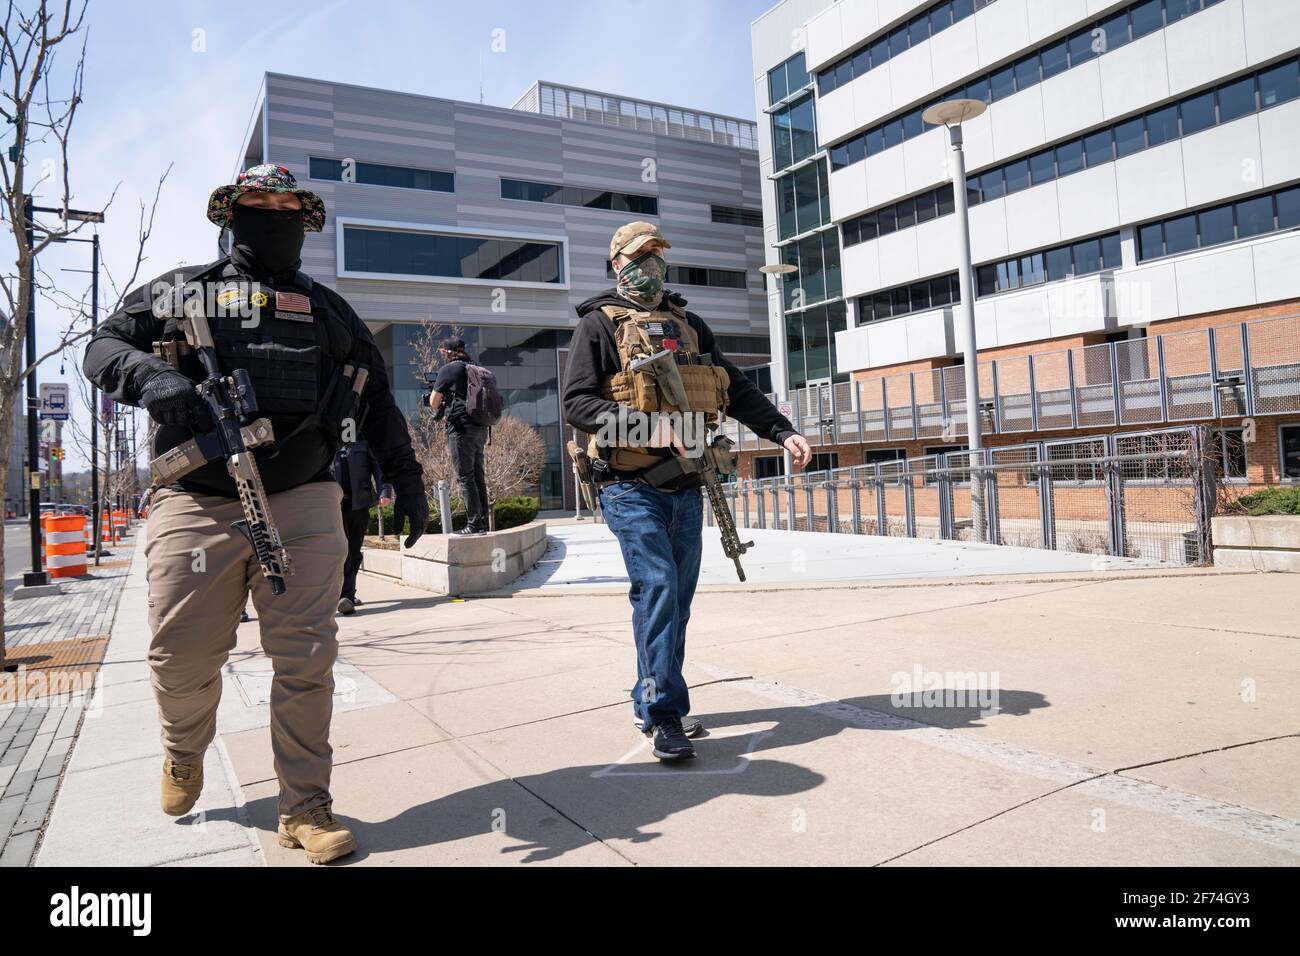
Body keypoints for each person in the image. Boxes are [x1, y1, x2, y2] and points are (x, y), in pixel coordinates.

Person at [82, 163, 428, 864]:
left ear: (305, 220)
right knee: (180, 658)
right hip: (198, 498)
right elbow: (102, 345)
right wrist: (152, 377)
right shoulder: (182, 290)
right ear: (230, 214)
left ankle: (305, 807)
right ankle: (184, 750)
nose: (273, 212)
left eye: (287, 205)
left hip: (303, 498)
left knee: (305, 658)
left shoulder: (327, 309)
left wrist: (407, 473)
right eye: (258, 202)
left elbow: (376, 394)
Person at [562, 221, 812, 762]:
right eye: (638, 257)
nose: (649, 265)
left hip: (686, 487)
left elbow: (735, 387)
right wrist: (646, 428)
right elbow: (577, 403)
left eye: (656, 255)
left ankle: (648, 696)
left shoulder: (690, 325)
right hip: (629, 487)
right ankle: (664, 715)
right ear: (616, 264)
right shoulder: (598, 327)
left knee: (676, 601)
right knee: (656, 587)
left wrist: (781, 430)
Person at [425, 337, 489, 536]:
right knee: (477, 476)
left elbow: (434, 403)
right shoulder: (475, 367)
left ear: (448, 352)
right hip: (480, 428)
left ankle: (474, 524)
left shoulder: (449, 369)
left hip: (461, 428)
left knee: (465, 476)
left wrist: (435, 399)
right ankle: (482, 522)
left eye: (443, 352)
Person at [333, 439, 390, 616]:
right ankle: (346, 595)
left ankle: (348, 592)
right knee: (342, 552)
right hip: (333, 504)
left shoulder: (362, 436)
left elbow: (378, 465)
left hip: (359, 502)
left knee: (354, 551)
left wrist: (385, 491)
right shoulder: (325, 434)